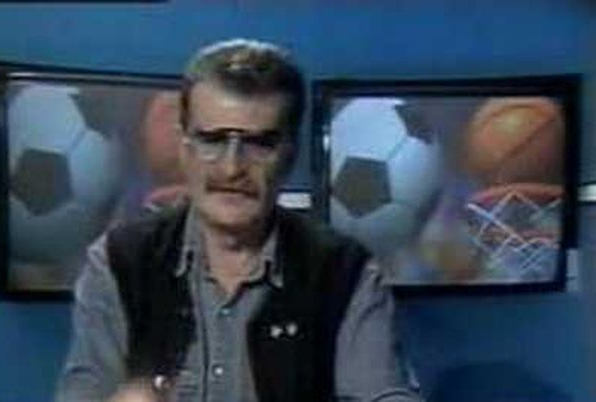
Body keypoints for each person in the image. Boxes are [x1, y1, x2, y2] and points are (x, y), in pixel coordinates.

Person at [56, 38, 423, 402]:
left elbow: (384, 393)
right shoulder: (119, 263)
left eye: (259, 144)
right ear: (185, 147)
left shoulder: (344, 272)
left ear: (289, 155)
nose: (232, 168)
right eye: (212, 140)